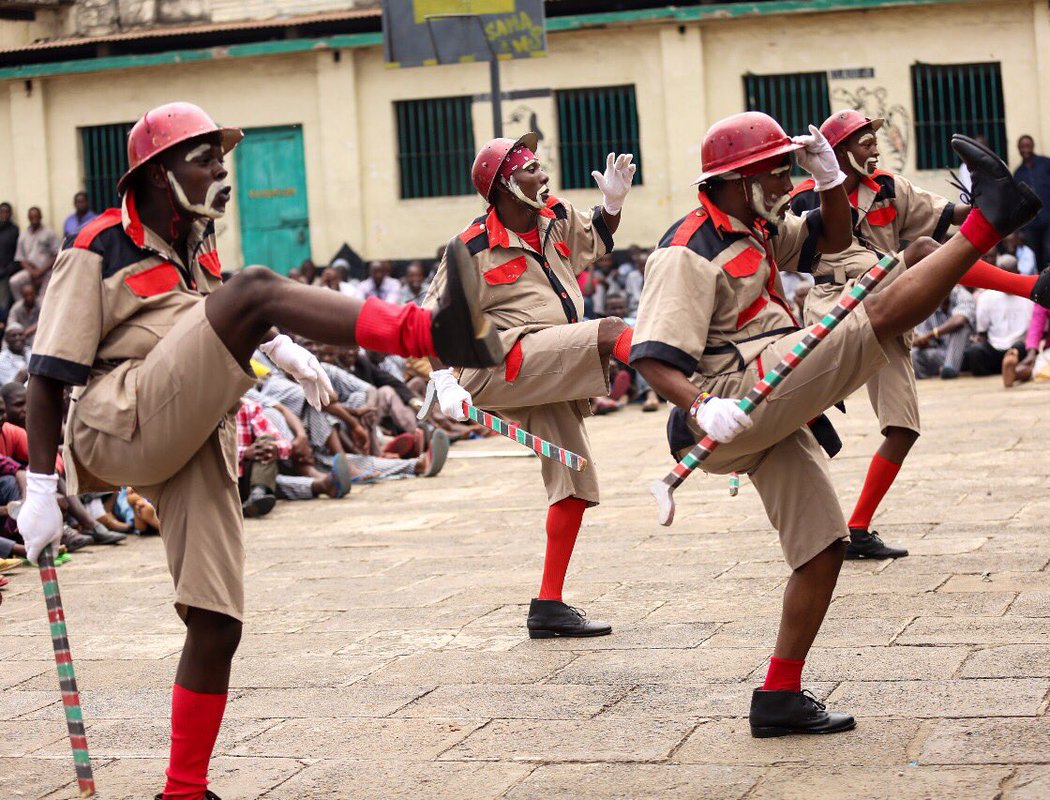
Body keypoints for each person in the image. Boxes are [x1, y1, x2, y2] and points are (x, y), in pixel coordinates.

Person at [18, 100, 502, 800]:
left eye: (222, 160)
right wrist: (39, 489)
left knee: (217, 621)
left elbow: (209, 320)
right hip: (118, 418)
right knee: (255, 288)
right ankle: (429, 332)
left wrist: (285, 352)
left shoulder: (199, 244)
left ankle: (184, 791)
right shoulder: (95, 248)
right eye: (204, 160)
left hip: (194, 422)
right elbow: (46, 376)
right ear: (155, 174)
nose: (221, 173)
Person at [632, 112, 1042, 737]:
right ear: (739, 180)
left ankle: (778, 696)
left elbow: (830, 242)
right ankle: (989, 223)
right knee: (874, 315)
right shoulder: (685, 251)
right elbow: (651, 357)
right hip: (728, 400)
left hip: (769, 392)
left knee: (824, 547)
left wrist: (828, 182)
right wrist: (699, 406)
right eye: (777, 172)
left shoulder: (758, 223)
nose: (784, 183)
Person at [790, 109, 1050, 560]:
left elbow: (950, 216)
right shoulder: (806, 197)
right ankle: (1036, 288)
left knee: (903, 428)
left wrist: (984, 203)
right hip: (836, 305)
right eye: (866, 142)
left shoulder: (889, 186)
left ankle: (858, 529)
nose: (875, 149)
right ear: (839, 151)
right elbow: (783, 252)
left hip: (889, 295)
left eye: (875, 141)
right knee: (925, 251)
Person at [422, 134, 636, 639]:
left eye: (541, 167)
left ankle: (548, 606)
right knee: (611, 331)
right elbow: (431, 319)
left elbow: (595, 239)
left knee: (574, 479)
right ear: (503, 184)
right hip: (495, 363)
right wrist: (442, 380)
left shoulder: (554, 215)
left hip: (545, 362)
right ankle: (698, 397)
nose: (544, 176)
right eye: (532, 169)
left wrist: (612, 205)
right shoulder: (471, 246)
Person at [963, 255, 1034, 376]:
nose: (1007, 279)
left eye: (1010, 274)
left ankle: (1012, 370)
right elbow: (982, 333)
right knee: (975, 351)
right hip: (994, 348)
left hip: (1018, 348)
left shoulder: (1029, 296)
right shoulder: (985, 297)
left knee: (1019, 348)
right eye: (1003, 274)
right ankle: (1003, 374)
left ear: (1018, 272)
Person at [1013, 135, 1050, 266]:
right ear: (1018, 149)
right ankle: (1038, 279)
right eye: (1022, 147)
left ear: (1033, 146)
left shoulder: (1047, 163)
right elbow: (1017, 198)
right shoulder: (1018, 173)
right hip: (1030, 222)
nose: (1025, 149)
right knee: (1033, 255)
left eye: (1028, 146)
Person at [910, 285, 974, 379]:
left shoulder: (962, 294)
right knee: (915, 354)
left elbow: (959, 321)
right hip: (942, 354)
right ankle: (927, 379)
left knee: (961, 328)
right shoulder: (929, 300)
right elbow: (921, 335)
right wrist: (921, 341)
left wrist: (931, 335)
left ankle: (949, 369)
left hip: (965, 354)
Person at [12, 205, 60, 298]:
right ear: (28, 218)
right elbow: (20, 258)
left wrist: (40, 271)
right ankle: (24, 304)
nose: (34, 219)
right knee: (14, 281)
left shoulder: (49, 233)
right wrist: (32, 272)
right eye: (32, 217)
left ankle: (40, 304)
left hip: (46, 271)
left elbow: (56, 254)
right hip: (29, 271)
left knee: (43, 299)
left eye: (36, 216)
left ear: (41, 217)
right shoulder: (23, 235)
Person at [0, 202, 19, 308]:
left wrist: (8, 269)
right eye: (1, 212)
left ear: (10, 214)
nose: (4, 215)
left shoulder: (14, 230)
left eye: (6, 212)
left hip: (7, 272)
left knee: (3, 304)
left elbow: (17, 251)